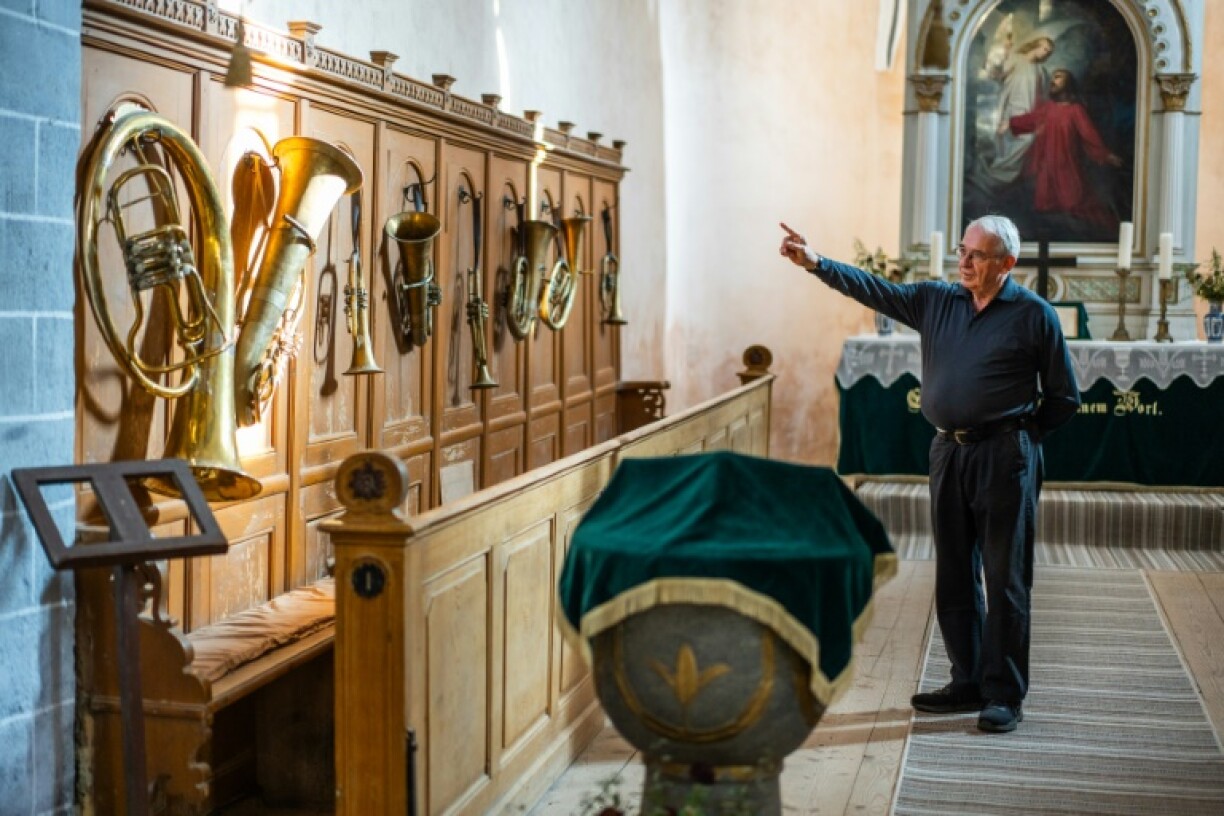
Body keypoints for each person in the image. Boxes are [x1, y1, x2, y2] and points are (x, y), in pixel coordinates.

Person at [778, 215, 1080, 733]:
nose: (963, 262)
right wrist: (816, 263)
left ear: (1007, 264)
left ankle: (1004, 693)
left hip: (1004, 457)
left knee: (1005, 578)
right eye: (962, 250)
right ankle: (966, 679)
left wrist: (1020, 438)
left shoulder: (1034, 316)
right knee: (955, 574)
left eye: (977, 255)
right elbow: (873, 289)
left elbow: (1064, 398)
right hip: (948, 453)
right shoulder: (935, 300)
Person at [1006, 68, 1124, 233]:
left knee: (1073, 203)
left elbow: (1089, 135)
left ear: (1068, 84)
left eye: (1059, 77)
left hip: (1066, 165)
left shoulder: (1075, 110)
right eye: (1053, 77)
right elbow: (1030, 120)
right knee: (1044, 205)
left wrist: (1105, 155)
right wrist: (1011, 123)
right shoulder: (1048, 108)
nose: (1053, 81)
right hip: (1046, 167)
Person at [979, 35, 1056, 190]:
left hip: (1028, 113)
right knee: (1008, 141)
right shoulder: (1016, 59)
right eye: (1045, 49)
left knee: (1027, 140)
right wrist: (1002, 54)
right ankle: (997, 174)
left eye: (1049, 52)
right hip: (1011, 108)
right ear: (1035, 45)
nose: (1046, 53)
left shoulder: (1041, 71)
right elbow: (995, 75)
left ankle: (1001, 174)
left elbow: (1043, 97)